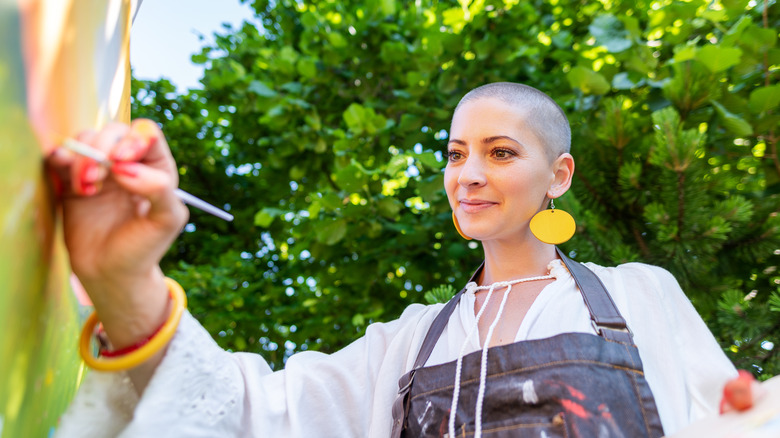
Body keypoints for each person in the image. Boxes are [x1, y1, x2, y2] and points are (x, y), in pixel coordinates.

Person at [52, 83, 739, 437]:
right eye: (455, 154)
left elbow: (739, 423)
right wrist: (124, 278)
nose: (468, 175)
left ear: (557, 176)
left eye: (500, 152)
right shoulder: (407, 344)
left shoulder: (640, 295)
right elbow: (246, 411)